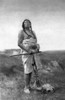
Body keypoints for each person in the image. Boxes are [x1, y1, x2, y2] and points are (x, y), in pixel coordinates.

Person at [18, 19, 41, 94]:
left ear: (30, 24)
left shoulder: (33, 32)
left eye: (28, 22)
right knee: (27, 70)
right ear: (23, 24)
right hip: (27, 53)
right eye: (25, 22)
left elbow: (36, 42)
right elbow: (19, 43)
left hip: (34, 53)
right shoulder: (21, 32)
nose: (26, 23)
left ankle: (35, 84)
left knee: (35, 69)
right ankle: (26, 87)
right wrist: (28, 50)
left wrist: (37, 48)